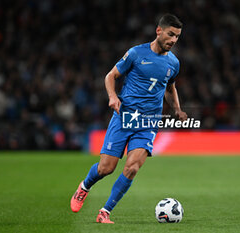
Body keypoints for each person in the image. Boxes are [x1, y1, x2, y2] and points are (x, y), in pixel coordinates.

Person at [70, 14, 187, 224]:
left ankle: (105, 212)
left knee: (132, 167)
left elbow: (170, 88)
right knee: (106, 168)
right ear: (158, 31)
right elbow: (110, 76)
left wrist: (177, 109)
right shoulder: (135, 53)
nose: (173, 40)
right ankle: (84, 187)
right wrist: (113, 96)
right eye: (171, 34)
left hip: (149, 122)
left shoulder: (174, 63)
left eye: (177, 36)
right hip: (124, 117)